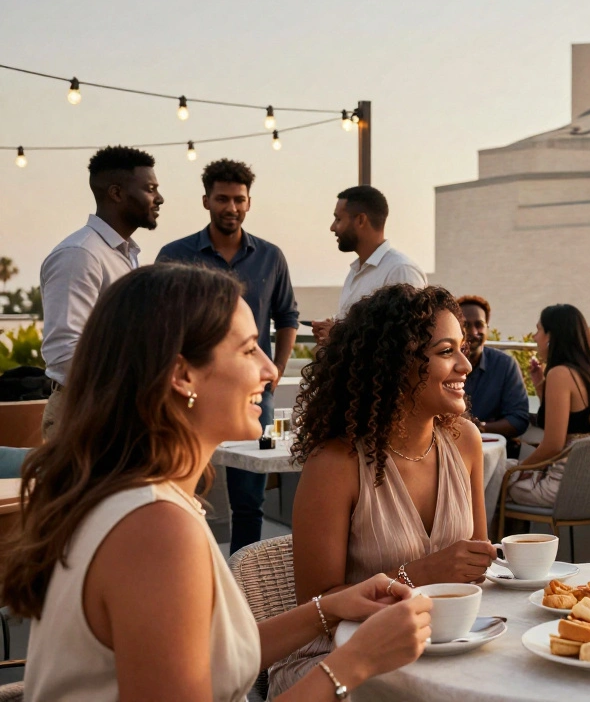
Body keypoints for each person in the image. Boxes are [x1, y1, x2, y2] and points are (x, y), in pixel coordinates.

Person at [0, 264, 432, 701]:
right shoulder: (154, 530)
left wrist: (328, 609)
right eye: (249, 351)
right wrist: (355, 662)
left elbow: (204, 658)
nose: (270, 370)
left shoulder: (135, 498)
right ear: (182, 374)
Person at [272, 284, 495, 695]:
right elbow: (316, 609)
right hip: (337, 662)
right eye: (446, 351)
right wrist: (422, 574)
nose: (465, 363)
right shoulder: (336, 464)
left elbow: (475, 572)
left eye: (462, 348)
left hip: (443, 648)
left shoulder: (465, 441)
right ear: (395, 364)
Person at [157, 158, 299, 554]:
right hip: (185, 389)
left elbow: (288, 316)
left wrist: (276, 371)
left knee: (250, 492)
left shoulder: (272, 257)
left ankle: (241, 578)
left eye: (239, 199)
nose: (231, 207)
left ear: (249, 203)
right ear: (206, 201)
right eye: (222, 198)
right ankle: (183, 561)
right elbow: (157, 323)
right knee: (178, 485)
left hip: (259, 394)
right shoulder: (175, 254)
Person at [40, 146, 162, 439]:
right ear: (116, 193)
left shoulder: (125, 254)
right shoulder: (80, 254)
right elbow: (64, 350)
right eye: (149, 189)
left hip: (117, 409)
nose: (159, 198)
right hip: (86, 413)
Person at [502, 304, 590, 510]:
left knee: (491, 477)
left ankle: (490, 541)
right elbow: (572, 419)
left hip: (563, 487)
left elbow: (553, 445)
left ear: (551, 336)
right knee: (498, 471)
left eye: (538, 330)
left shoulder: (560, 374)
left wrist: (519, 469)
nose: (535, 337)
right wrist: (540, 385)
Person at [311, 186, 427, 344]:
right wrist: (330, 328)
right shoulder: (355, 272)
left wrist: (338, 335)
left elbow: (405, 340)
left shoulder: (401, 270)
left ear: (360, 220)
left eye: (338, 219)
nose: (332, 227)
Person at [458, 294, 530, 461]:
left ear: (487, 328)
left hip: (492, 457)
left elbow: (518, 420)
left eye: (479, 325)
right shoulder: (441, 363)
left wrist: (478, 428)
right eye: (465, 325)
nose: (473, 332)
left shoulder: (505, 365)